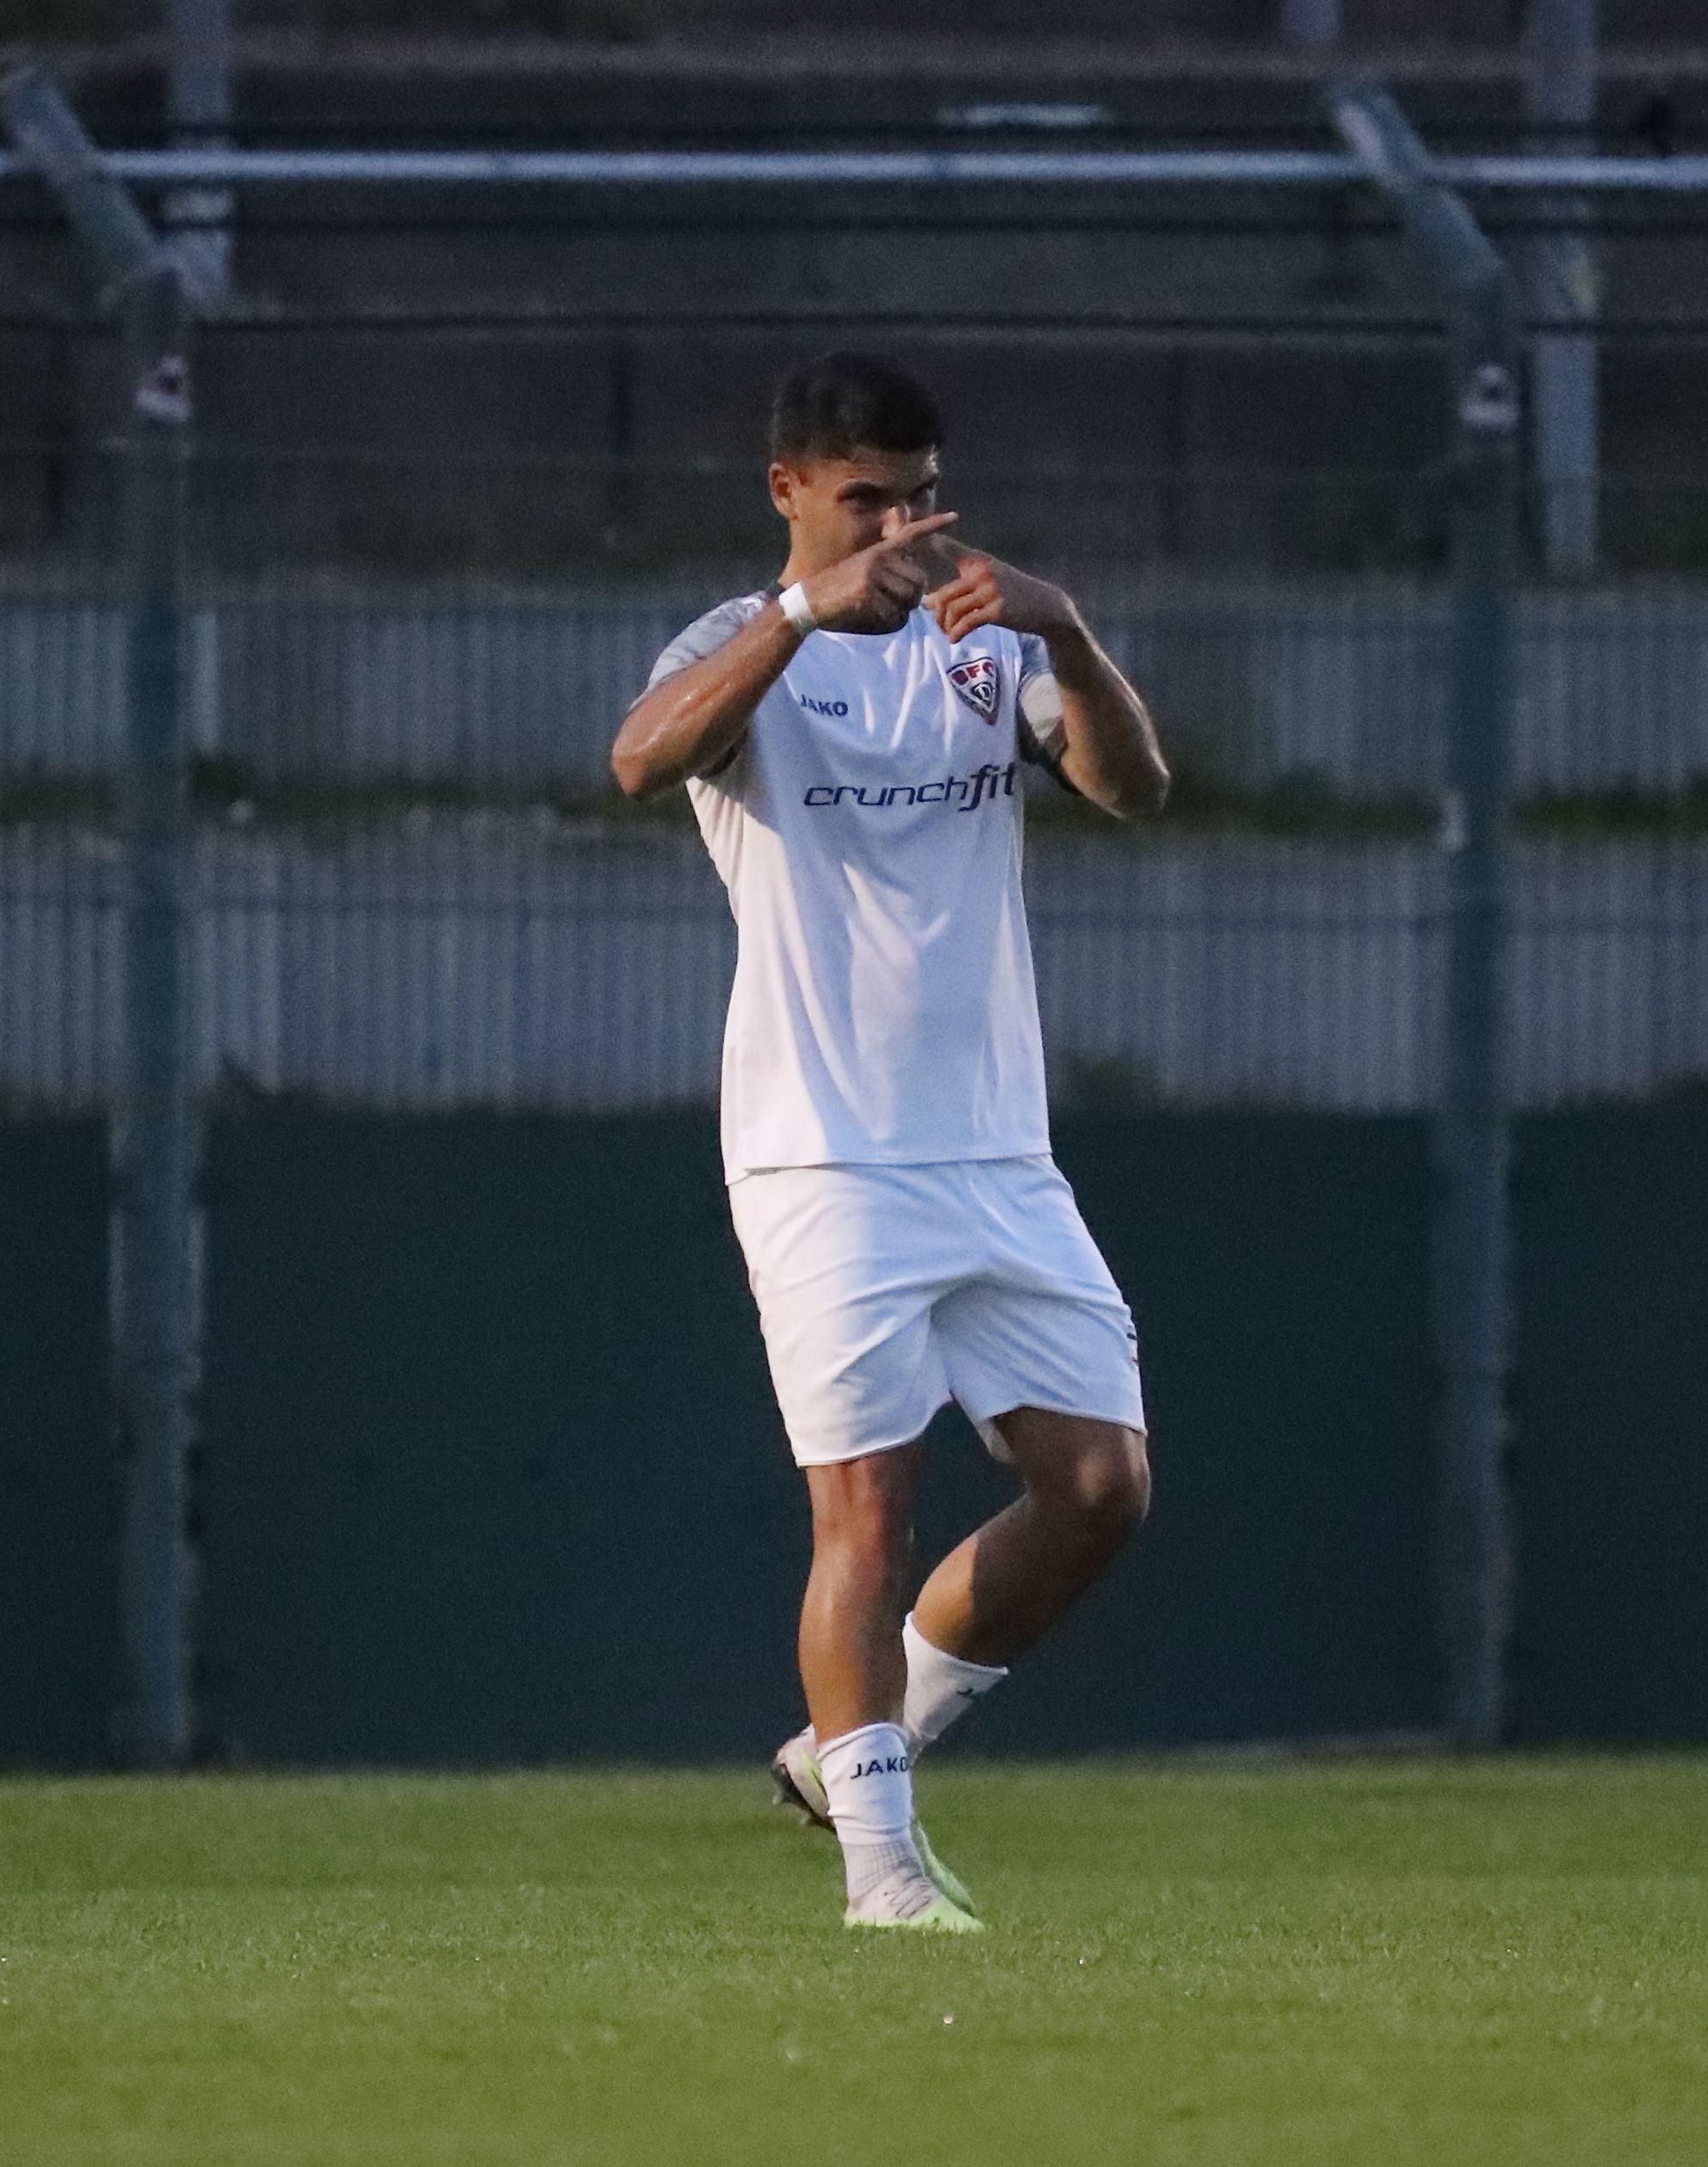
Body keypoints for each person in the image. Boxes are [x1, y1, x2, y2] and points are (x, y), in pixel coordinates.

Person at [612, 351, 1172, 1932]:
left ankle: (856, 1749)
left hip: (997, 1151)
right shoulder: (743, 644)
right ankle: (884, 1878)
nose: (901, 527)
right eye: (867, 498)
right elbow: (641, 760)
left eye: (921, 495)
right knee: (866, 1507)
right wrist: (800, 620)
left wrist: (1066, 626)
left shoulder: (983, 645)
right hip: (824, 1153)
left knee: (1103, 1486)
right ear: (787, 489)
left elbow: (1133, 789)